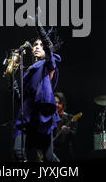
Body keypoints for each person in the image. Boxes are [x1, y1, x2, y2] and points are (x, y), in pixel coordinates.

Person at [12, 22, 62, 162]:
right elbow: (21, 99)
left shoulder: (48, 64)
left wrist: (38, 25)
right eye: (35, 45)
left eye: (41, 45)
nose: (37, 47)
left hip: (41, 116)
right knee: (18, 152)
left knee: (48, 157)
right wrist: (12, 81)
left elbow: (48, 46)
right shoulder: (27, 71)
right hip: (27, 116)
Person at [53, 92, 77, 161]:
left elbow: (75, 134)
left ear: (63, 104)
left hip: (65, 152)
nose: (56, 105)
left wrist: (68, 131)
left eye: (59, 103)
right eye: (55, 102)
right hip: (51, 152)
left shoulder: (70, 117)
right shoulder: (48, 118)